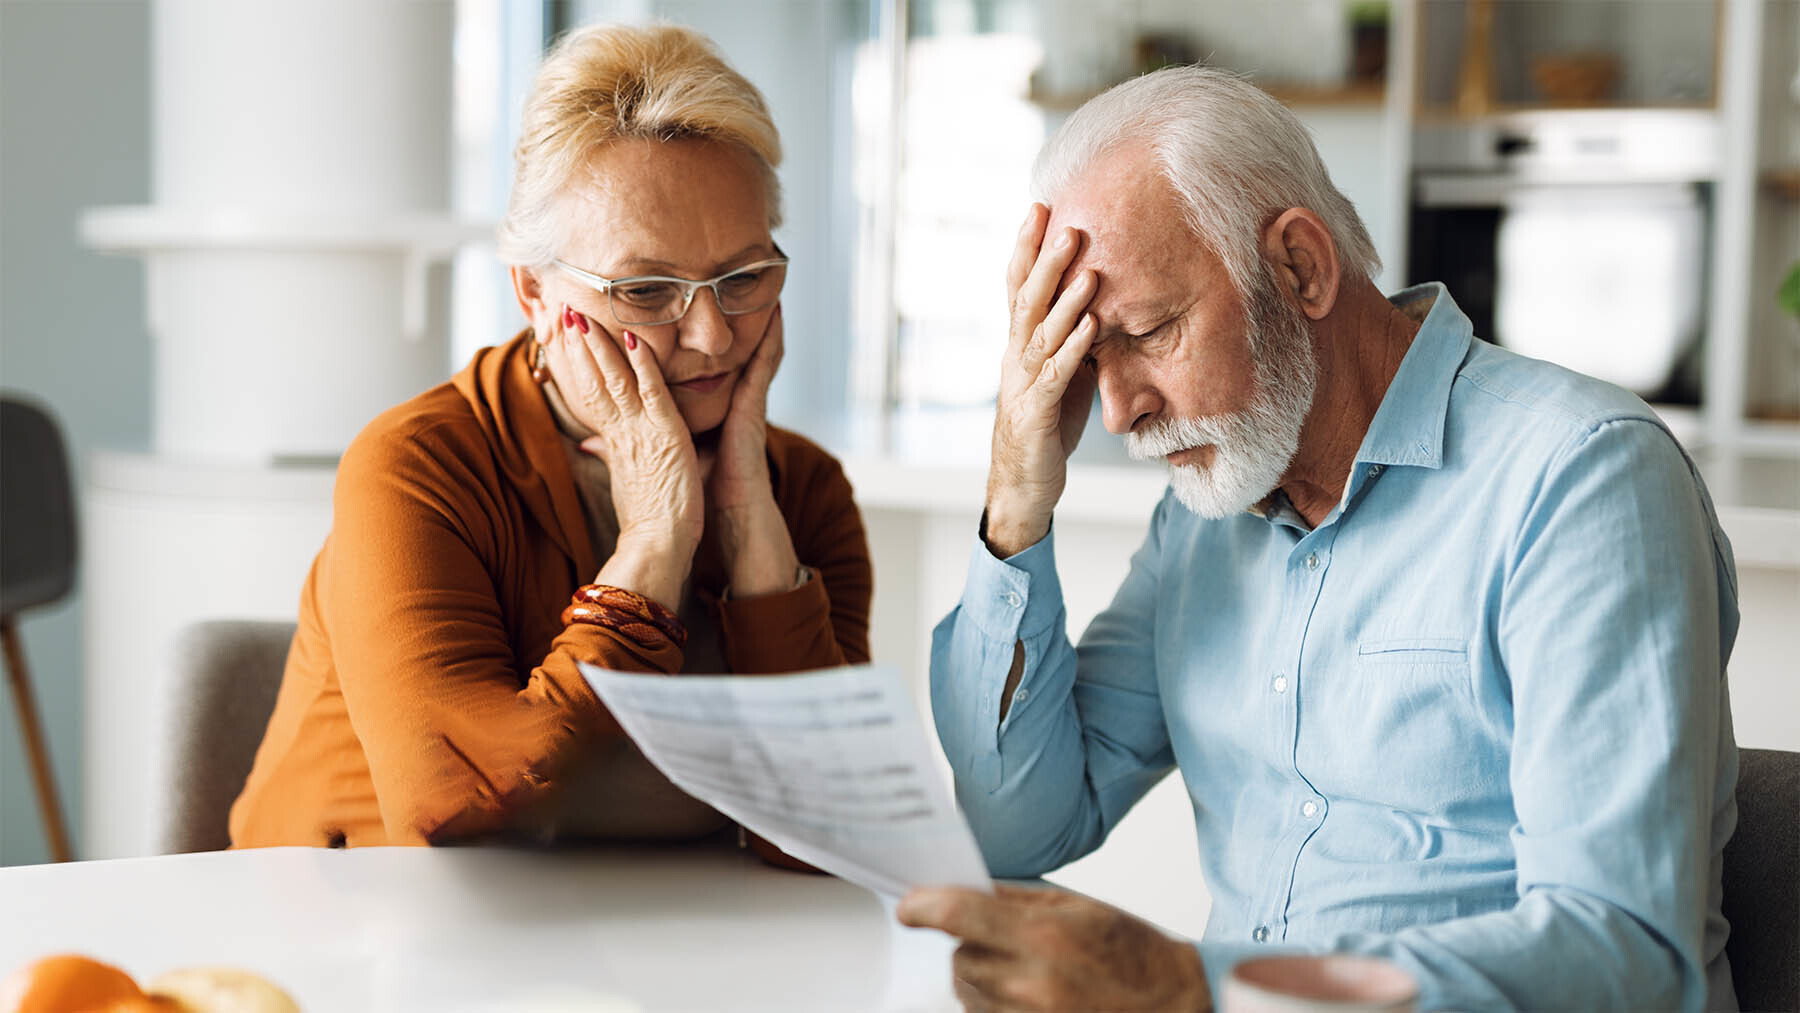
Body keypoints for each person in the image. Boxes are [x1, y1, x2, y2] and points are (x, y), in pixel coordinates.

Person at [897, 66, 1739, 1011]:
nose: (1121, 411)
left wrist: (1192, 985)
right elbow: (1014, 830)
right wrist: (1015, 494)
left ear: (1299, 266)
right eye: (1091, 359)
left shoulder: (1581, 478)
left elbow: (1624, 950)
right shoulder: (1204, 517)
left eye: (1150, 331)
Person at [230, 24, 871, 858]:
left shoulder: (805, 489)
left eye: (743, 278)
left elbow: (835, 831)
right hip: (349, 922)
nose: (712, 335)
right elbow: (452, 805)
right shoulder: (418, 467)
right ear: (533, 292)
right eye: (647, 289)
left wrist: (751, 531)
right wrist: (655, 544)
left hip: (655, 933)